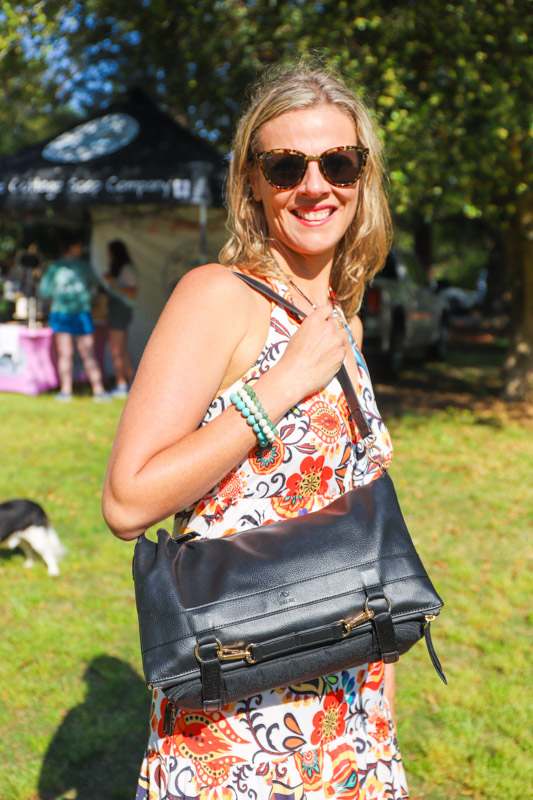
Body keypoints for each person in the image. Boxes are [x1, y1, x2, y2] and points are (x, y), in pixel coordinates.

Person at [103, 63, 408, 799]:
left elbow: (361, 527)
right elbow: (128, 501)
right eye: (285, 165)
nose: (315, 186)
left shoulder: (346, 326)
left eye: (339, 162)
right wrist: (277, 387)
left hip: (346, 711)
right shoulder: (217, 298)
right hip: (238, 711)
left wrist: (380, 733)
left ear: (362, 179)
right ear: (250, 183)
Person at [40, 230, 109, 402]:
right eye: (79, 246)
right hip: (80, 314)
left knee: (66, 354)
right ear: (72, 247)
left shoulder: (54, 268)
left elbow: (44, 291)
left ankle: (66, 391)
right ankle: (98, 390)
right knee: (88, 353)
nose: (81, 249)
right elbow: (99, 284)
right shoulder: (83, 266)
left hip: (61, 313)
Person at [102, 239, 138, 397]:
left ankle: (121, 384)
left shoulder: (127, 269)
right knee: (121, 349)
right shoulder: (123, 269)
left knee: (116, 349)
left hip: (121, 310)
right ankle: (130, 384)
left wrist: (113, 283)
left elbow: (132, 293)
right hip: (118, 310)